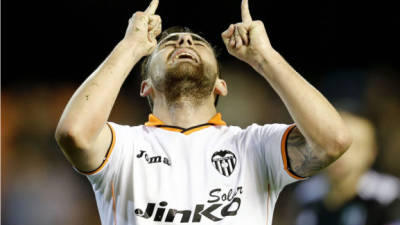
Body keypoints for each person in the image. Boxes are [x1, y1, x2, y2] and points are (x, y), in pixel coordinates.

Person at [55, 0, 352, 224]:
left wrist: (265, 58)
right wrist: (130, 46)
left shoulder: (255, 145)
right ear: (145, 86)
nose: (185, 41)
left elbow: (333, 140)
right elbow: (74, 133)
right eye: (170, 43)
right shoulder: (123, 147)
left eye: (197, 43)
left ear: (221, 85)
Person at [292, 111, 400, 225]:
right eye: (334, 143)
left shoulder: (389, 195)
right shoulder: (306, 194)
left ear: (372, 153)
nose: (343, 154)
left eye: (356, 146)